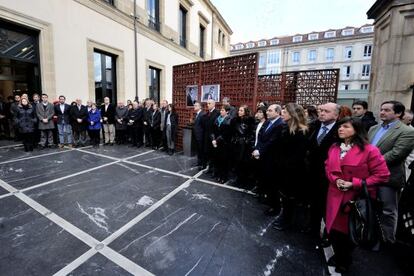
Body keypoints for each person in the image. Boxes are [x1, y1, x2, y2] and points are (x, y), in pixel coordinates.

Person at [325, 117, 390, 273]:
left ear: (357, 130)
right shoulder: (334, 147)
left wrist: (354, 183)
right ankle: (339, 255)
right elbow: (328, 167)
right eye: (340, 126)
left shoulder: (370, 150)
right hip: (334, 195)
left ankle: (344, 260)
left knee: (349, 233)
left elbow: (383, 175)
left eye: (346, 127)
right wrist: (336, 179)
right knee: (333, 231)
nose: (340, 129)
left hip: (355, 199)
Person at [368, 101, 414, 244]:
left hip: (389, 177)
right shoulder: (373, 128)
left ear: (398, 113)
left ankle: (387, 240)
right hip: (368, 175)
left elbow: (396, 154)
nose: (382, 112)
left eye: (387, 110)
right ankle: (369, 234)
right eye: (381, 109)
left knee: (388, 210)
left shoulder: (407, 131)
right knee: (369, 206)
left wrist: (369, 162)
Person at [307, 102, 340, 245]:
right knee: (314, 202)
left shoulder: (340, 131)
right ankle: (312, 229)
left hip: (330, 175)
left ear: (336, 115)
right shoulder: (314, 126)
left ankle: (329, 234)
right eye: (320, 110)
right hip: (312, 172)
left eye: (326, 111)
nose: (321, 113)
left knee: (328, 206)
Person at [273, 103, 309, 231]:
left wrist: (284, 164)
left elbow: (298, 155)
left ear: (293, 114)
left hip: (293, 171)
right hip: (282, 168)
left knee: (290, 196)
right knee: (284, 195)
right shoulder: (285, 127)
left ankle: (288, 220)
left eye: (285, 111)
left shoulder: (302, 131)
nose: (283, 113)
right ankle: (285, 216)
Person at [252, 104, 285, 215]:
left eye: (270, 110)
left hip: (272, 158)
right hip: (263, 156)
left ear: (277, 112)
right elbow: (260, 137)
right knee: (265, 180)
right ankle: (269, 201)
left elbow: (272, 141)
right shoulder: (267, 122)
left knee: (273, 184)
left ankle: (275, 208)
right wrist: (257, 149)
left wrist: (259, 151)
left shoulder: (280, 124)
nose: (267, 112)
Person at [231, 104, 255, 187]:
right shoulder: (235, 120)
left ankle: (244, 180)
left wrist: (246, 140)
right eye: (239, 110)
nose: (239, 112)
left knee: (244, 162)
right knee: (237, 161)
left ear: (245, 112)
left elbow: (252, 132)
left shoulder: (250, 120)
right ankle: (238, 178)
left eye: (241, 110)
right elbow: (232, 131)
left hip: (245, 145)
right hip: (236, 143)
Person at [211, 106, 232, 183]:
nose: (221, 112)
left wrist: (216, 140)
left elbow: (226, 133)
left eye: (223, 110)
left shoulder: (229, 120)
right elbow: (213, 130)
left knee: (224, 161)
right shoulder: (217, 119)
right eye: (220, 110)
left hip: (224, 143)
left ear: (227, 112)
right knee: (217, 160)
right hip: (216, 143)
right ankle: (219, 175)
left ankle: (224, 177)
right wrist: (213, 139)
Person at [203, 99, 220, 174]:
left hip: (214, 137)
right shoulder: (208, 113)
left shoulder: (217, 113)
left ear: (213, 104)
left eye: (209, 103)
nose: (208, 105)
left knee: (214, 154)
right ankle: (209, 167)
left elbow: (216, 125)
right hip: (207, 136)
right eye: (207, 103)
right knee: (208, 153)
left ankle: (214, 170)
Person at [192, 102, 205, 169]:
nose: (194, 106)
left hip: (201, 136)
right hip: (196, 135)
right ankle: (199, 162)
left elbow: (203, 127)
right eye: (194, 105)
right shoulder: (197, 114)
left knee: (201, 150)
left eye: (196, 105)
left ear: (200, 107)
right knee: (198, 150)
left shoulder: (202, 114)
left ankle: (202, 164)